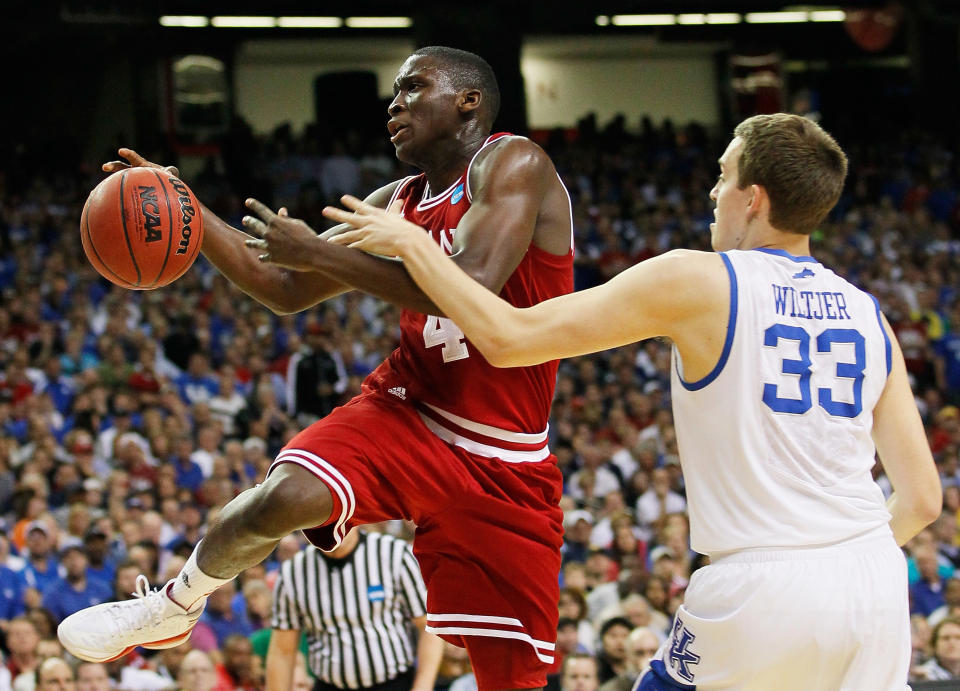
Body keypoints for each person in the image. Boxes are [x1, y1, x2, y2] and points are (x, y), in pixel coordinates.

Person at [316, 113, 943, 689]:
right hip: (875, 584)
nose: (713, 193)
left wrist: (415, 245)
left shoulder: (699, 278)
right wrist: (838, 572)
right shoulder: (869, 314)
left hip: (760, 580)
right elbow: (921, 499)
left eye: (723, 177)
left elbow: (509, 340)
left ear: (754, 199)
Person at [57, 45, 574, 691]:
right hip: (409, 407)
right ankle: (173, 606)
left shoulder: (513, 160)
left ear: (469, 100)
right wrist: (183, 201)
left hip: (505, 456)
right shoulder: (399, 198)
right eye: (394, 92)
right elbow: (279, 284)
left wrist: (320, 255)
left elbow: (470, 285)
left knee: (514, 681)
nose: (394, 104)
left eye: (413, 87)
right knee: (284, 497)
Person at [267, 527, 442, 690]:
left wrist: (423, 686)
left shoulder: (393, 553)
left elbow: (429, 627)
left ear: (354, 516)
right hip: (330, 685)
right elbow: (283, 651)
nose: (331, 528)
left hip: (395, 683)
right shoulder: (293, 573)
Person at [914, 616, 960, 680]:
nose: (952, 642)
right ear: (934, 645)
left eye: (958, 637)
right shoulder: (924, 675)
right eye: (946, 638)